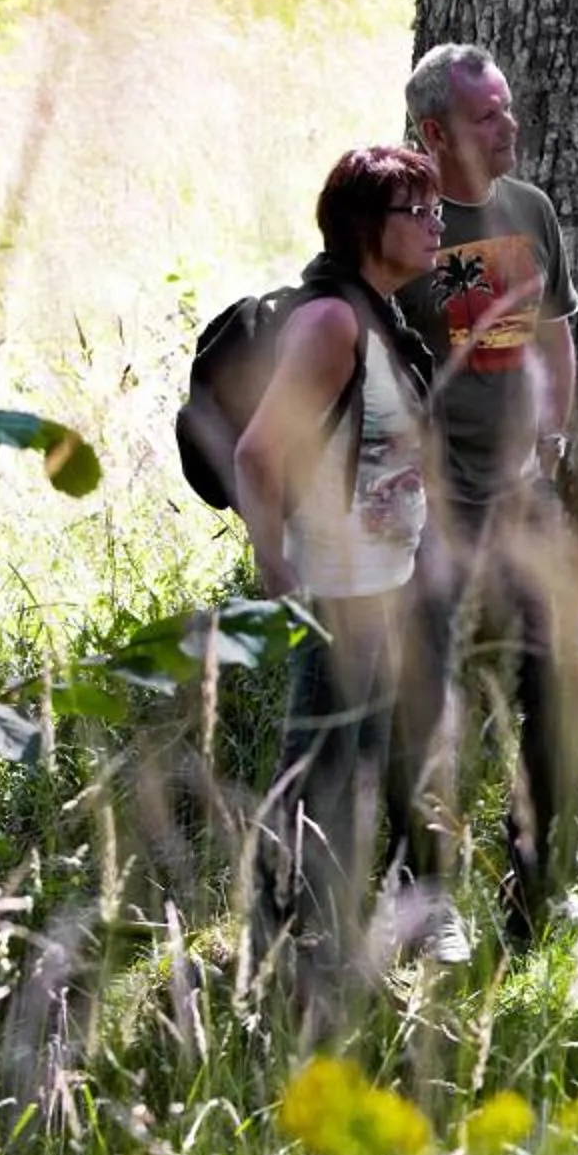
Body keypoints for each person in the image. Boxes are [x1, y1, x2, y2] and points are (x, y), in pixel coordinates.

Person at [233, 146, 450, 1016]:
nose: (437, 224)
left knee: (357, 768)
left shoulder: (383, 313)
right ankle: (277, 964)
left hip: (384, 582)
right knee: (313, 777)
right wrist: (274, 563)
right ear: (370, 228)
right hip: (337, 589)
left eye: (437, 208)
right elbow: (257, 453)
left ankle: (317, 953)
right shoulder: (332, 324)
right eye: (419, 211)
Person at [396, 42, 578, 951]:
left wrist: (547, 452)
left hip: (521, 496)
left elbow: (552, 337)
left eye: (507, 108)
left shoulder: (529, 209)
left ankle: (539, 886)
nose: (508, 124)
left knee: (563, 680)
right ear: (435, 132)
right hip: (429, 509)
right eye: (487, 116)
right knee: (427, 697)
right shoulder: (398, 222)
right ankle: (423, 897)